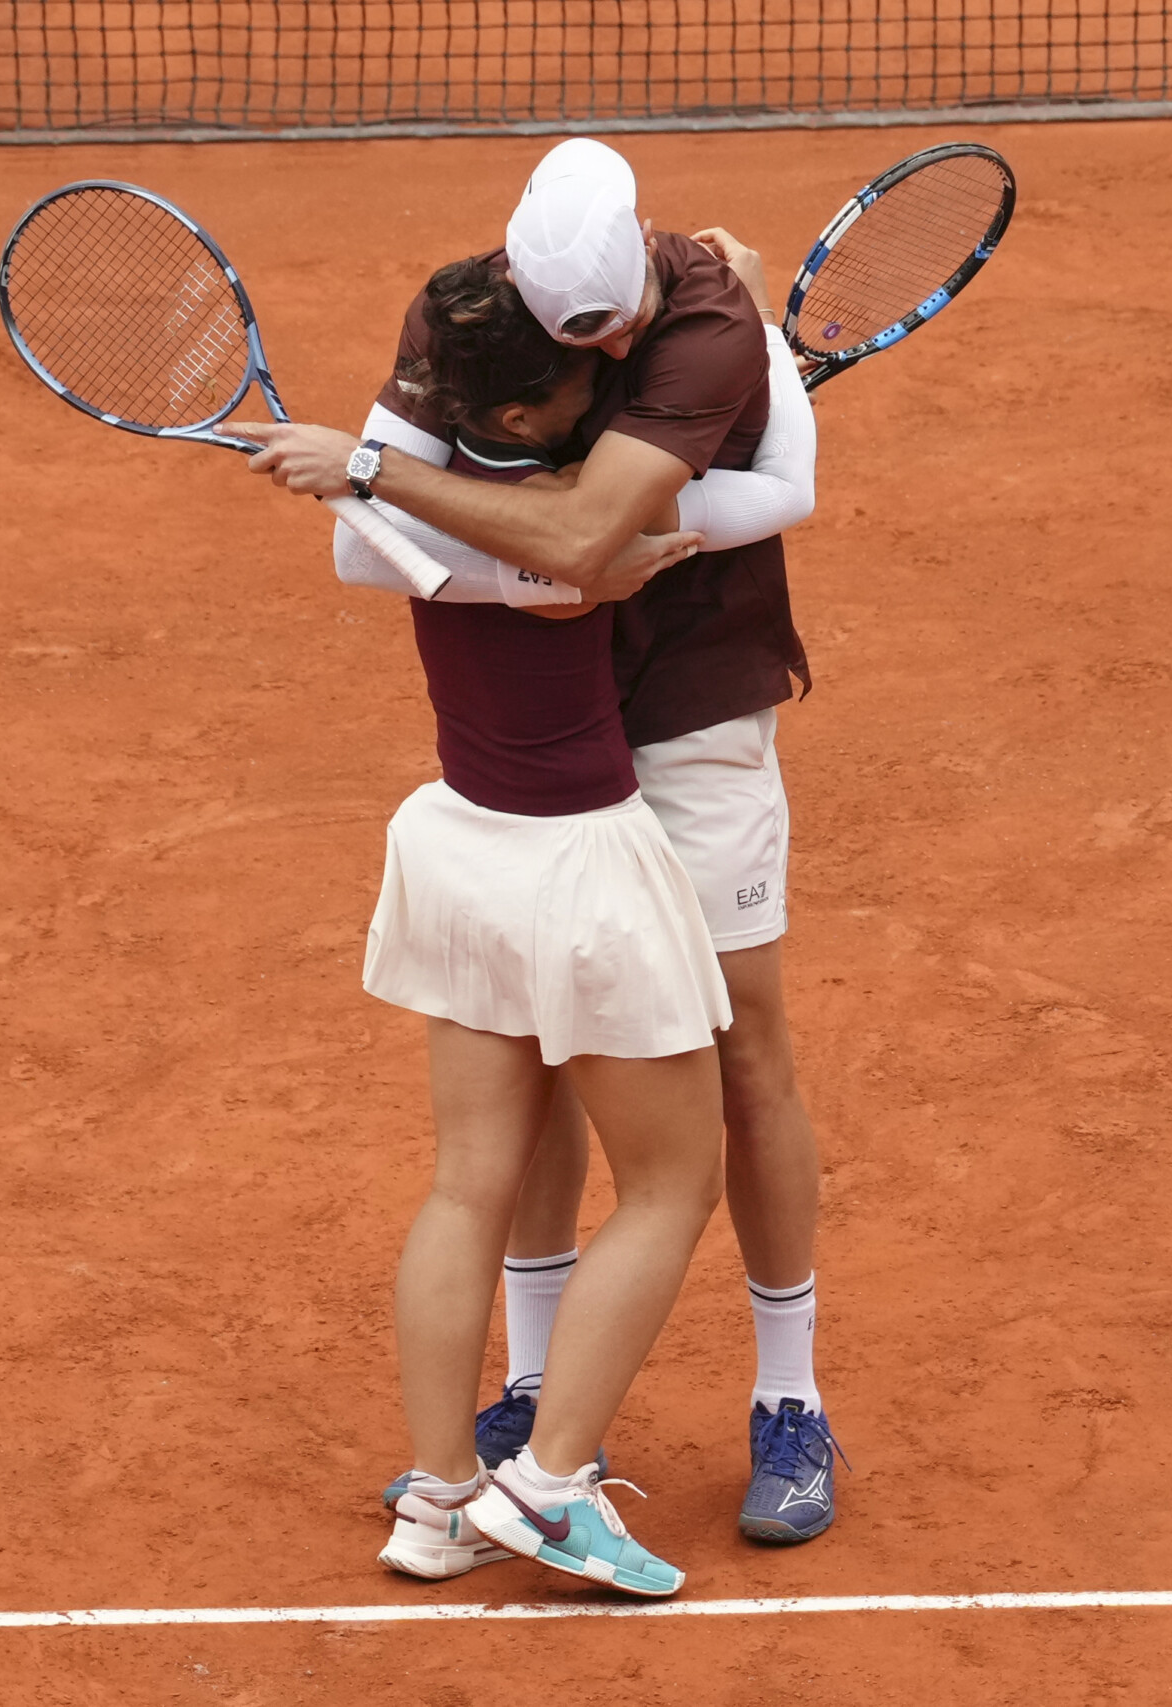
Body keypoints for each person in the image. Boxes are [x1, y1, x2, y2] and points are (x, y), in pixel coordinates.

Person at [237, 137, 845, 1544]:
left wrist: (424, 493)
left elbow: (587, 538)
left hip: (689, 710)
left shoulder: (700, 324)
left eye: (618, 322)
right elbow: (377, 544)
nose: (615, 345)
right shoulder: (468, 314)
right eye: (584, 340)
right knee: (546, 1048)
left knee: (742, 1049)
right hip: (552, 758)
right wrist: (455, 511)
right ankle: (530, 1400)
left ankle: (788, 1397)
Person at [295, 254, 725, 1599]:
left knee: (467, 1181)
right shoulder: (566, 538)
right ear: (532, 417)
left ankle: (434, 1504)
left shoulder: (407, 537)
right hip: (580, 872)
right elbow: (589, 552)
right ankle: (546, 1486)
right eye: (583, 369)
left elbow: (400, 530)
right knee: (672, 1181)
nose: (607, 370)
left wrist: (352, 465)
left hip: (461, 852)